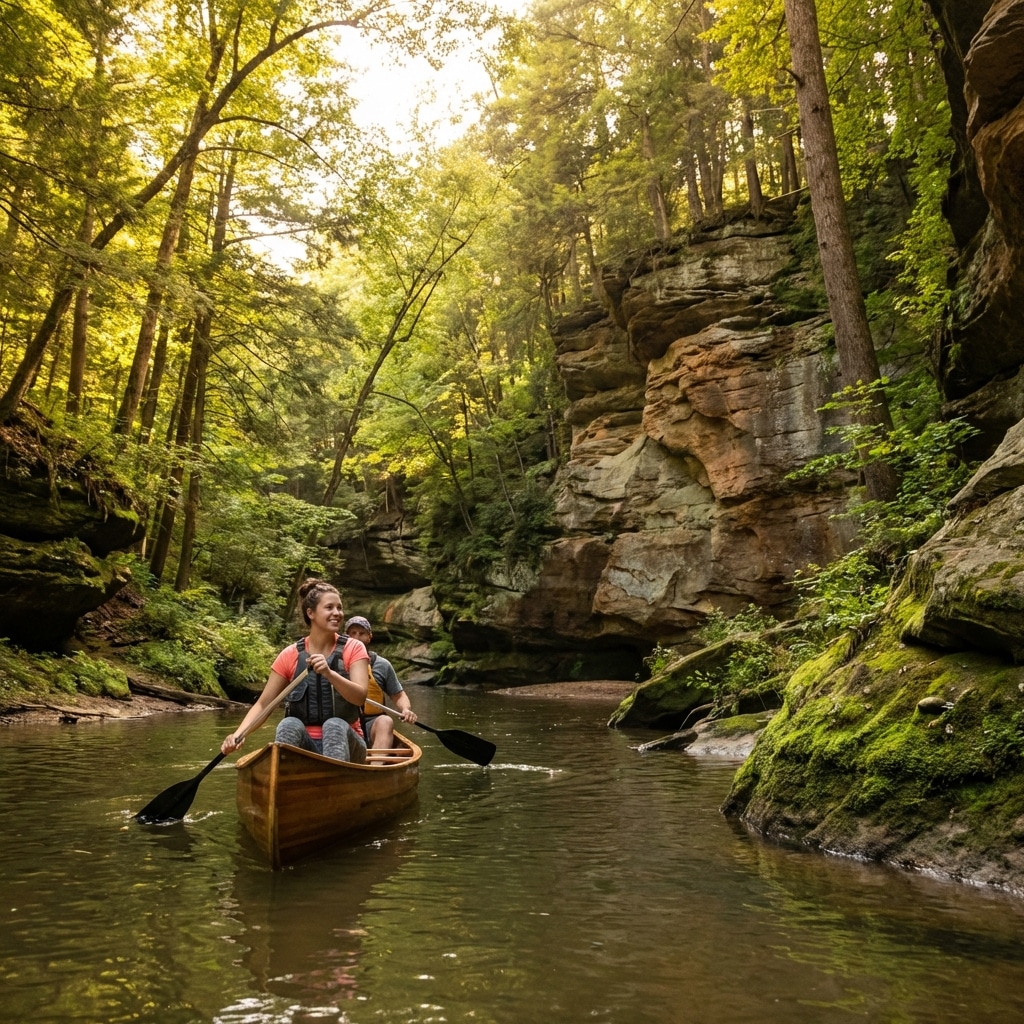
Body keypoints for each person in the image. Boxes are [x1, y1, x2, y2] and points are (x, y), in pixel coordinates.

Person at [221, 579, 369, 763]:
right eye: (329, 607)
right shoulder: (290, 655)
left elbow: (360, 697)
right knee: (289, 724)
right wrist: (239, 734)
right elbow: (263, 705)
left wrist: (330, 674)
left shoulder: (353, 648)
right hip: (306, 747)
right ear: (311, 613)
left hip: (350, 745)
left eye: (339, 608)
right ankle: (287, 778)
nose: (337, 613)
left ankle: (334, 782)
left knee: (334, 725)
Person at [344, 615, 417, 750]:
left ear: (369, 637)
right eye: (352, 633)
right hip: (346, 722)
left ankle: (375, 765)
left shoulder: (382, 665)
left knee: (386, 721)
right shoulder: (335, 663)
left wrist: (406, 709)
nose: (357, 637)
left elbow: (399, 695)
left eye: (362, 633)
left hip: (372, 722)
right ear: (345, 636)